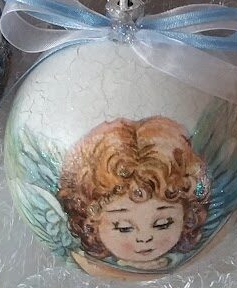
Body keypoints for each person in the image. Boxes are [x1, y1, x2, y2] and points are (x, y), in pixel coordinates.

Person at [56, 116, 210, 276]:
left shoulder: (190, 264)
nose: (144, 238)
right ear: (91, 225)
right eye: (123, 228)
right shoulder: (87, 264)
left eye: (163, 224)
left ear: (187, 218)